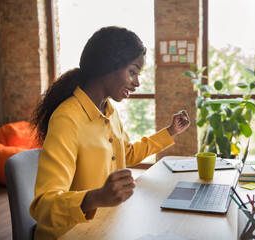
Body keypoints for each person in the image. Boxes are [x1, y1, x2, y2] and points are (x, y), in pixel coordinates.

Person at [29, 26, 190, 240]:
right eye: (133, 72)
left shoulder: (109, 111)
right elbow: (43, 206)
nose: (137, 83)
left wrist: (170, 131)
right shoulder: (67, 119)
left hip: (107, 226)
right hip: (70, 234)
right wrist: (95, 198)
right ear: (108, 64)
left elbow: (128, 153)